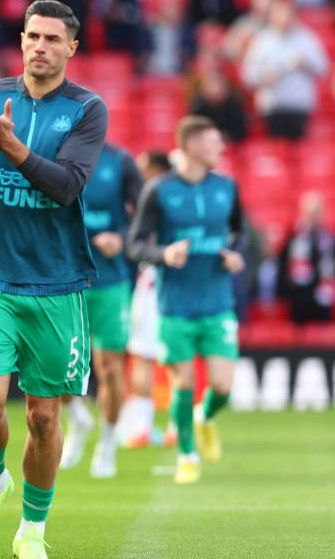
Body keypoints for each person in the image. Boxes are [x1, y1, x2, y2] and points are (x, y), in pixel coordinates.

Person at [0, 0, 108, 558]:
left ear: (70, 49)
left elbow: (66, 187)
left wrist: (8, 147)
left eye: (52, 39)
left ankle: (33, 529)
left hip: (59, 284)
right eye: (32, 36)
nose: (39, 46)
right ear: (22, 40)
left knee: (42, 416)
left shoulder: (87, 108)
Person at [128, 116, 245, 485]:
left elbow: (241, 233)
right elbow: (135, 244)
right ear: (192, 145)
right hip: (174, 305)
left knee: (224, 386)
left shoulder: (227, 187)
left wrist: (237, 254)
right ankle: (187, 454)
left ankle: (204, 417)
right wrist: (164, 254)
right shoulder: (158, 190)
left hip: (217, 302)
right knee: (182, 384)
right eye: (214, 142)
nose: (222, 149)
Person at [60, 143, 142, 479]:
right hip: (64, 279)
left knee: (110, 368)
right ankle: (78, 418)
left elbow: (146, 215)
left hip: (110, 280)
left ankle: (107, 445)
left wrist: (122, 237)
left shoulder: (121, 161)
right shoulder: (55, 156)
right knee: (56, 365)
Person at [121, 150, 174, 449]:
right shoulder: (179, 199)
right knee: (173, 356)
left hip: (152, 286)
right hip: (165, 285)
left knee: (143, 356)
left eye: (144, 169)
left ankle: (142, 425)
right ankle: (175, 426)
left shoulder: (152, 199)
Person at [241, 0, 328, 140]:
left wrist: (305, 63)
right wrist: (263, 78)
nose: (284, 19)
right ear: (272, 16)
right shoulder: (262, 41)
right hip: (272, 105)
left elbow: (323, 68)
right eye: (280, 14)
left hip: (299, 105)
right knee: (275, 151)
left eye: (287, 14)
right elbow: (247, 75)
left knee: (302, 151)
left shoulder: (306, 38)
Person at [276, 191, 335, 324]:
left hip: (323, 298)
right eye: (310, 212)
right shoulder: (294, 237)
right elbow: (283, 265)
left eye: (317, 212)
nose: (313, 216)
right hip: (299, 298)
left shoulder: (329, 239)